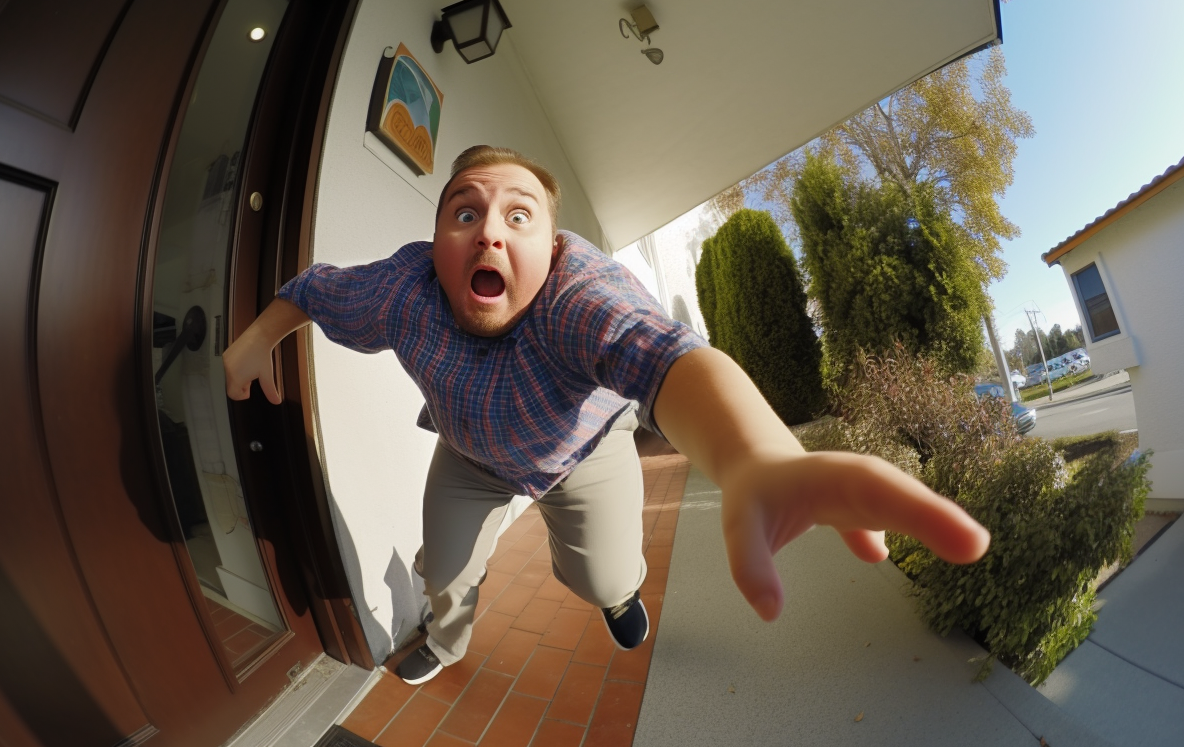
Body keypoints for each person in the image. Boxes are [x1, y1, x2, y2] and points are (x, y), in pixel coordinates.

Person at [223, 145, 989, 684]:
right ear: (435, 245)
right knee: (446, 573)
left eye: (517, 216)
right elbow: (316, 288)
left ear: (552, 246)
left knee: (601, 577)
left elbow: (656, 351)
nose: (489, 228)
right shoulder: (405, 288)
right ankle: (446, 644)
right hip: (470, 458)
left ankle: (619, 592)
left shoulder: (576, 289)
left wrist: (754, 457)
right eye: (466, 212)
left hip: (582, 454)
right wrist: (258, 340)